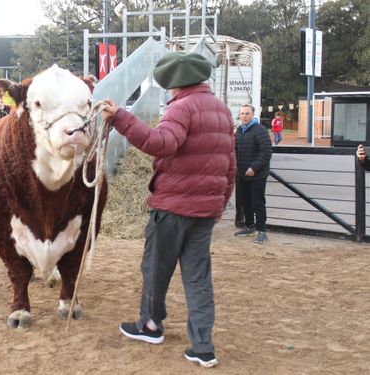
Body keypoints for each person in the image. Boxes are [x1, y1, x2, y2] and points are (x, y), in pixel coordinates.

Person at [101, 52, 236, 368]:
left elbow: (162, 144)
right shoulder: (222, 110)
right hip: (205, 211)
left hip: (172, 207)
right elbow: (230, 165)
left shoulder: (181, 107)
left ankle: (150, 325)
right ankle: (203, 346)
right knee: (199, 278)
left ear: (175, 84)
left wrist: (121, 117)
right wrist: (220, 203)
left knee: (155, 269)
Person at [234, 104, 272, 244]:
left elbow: (266, 152)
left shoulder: (260, 130)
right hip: (242, 174)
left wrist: (254, 167)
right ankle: (250, 227)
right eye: (242, 113)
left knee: (258, 203)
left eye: (247, 113)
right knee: (245, 202)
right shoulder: (239, 130)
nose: (244, 116)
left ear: (253, 114)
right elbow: (234, 149)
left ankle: (262, 231)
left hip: (257, 175)